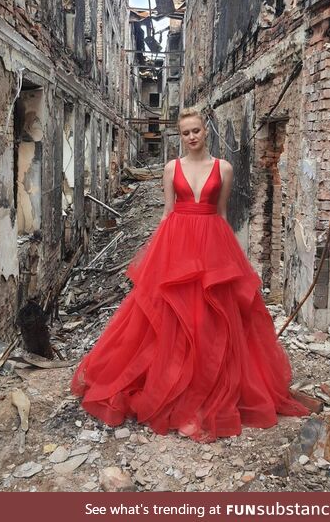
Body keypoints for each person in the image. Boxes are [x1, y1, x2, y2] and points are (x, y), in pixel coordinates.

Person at [71, 108, 308, 442]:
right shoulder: (172, 168)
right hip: (177, 241)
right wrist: (158, 258)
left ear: (205, 131)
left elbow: (222, 213)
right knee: (171, 316)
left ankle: (206, 389)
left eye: (196, 130)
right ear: (180, 136)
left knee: (213, 318)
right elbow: (168, 212)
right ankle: (172, 386)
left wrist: (230, 260)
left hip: (212, 241)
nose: (192, 137)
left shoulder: (223, 168)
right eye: (185, 133)